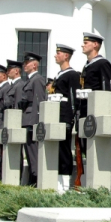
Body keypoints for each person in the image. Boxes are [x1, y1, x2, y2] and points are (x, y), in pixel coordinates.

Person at [52, 44, 82, 193]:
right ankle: (59, 180)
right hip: (56, 116)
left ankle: (65, 182)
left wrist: (71, 118)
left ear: (66, 56)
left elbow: (73, 98)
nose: (55, 56)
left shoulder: (72, 75)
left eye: (58, 53)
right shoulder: (59, 75)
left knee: (64, 150)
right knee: (58, 149)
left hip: (65, 117)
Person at [20, 52, 47, 186]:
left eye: (27, 63)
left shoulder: (37, 79)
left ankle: (36, 178)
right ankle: (32, 176)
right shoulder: (30, 80)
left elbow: (39, 100)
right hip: (26, 119)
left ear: (35, 65)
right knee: (29, 152)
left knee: (33, 152)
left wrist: (36, 121)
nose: (24, 65)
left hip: (32, 119)